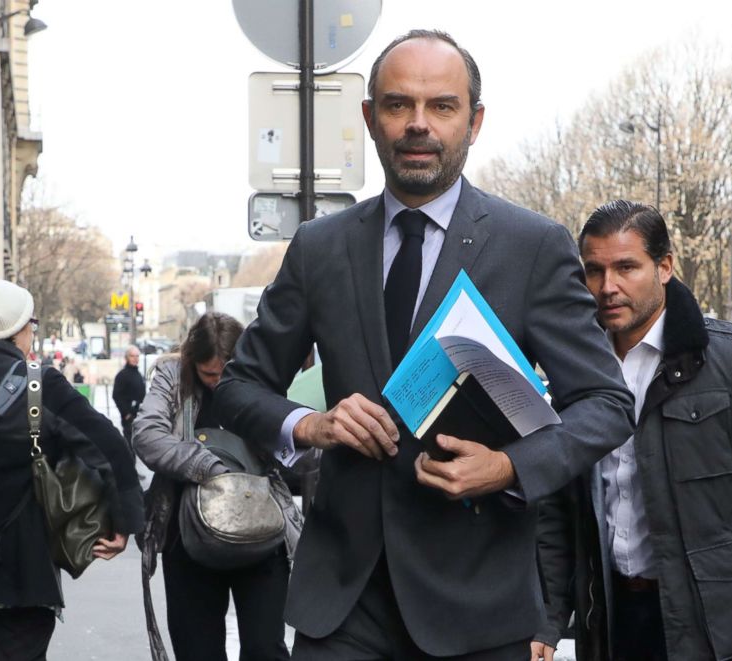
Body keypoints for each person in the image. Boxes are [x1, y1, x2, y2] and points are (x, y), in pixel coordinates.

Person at [213, 29, 635, 661]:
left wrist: (507, 468)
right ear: (369, 118)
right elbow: (238, 388)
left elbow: (606, 403)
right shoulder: (320, 247)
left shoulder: (532, 246)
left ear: (475, 121)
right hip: (343, 604)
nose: (418, 124)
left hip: (480, 608)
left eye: (442, 106)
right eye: (397, 105)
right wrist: (310, 424)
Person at [532, 201, 732, 661]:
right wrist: (548, 624)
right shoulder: (576, 374)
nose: (608, 287)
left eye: (626, 267)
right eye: (594, 270)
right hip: (612, 620)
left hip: (717, 626)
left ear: (665, 266)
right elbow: (558, 510)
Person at [0, 279, 144, 661]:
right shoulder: (39, 385)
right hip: (23, 572)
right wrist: (123, 522)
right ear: (14, 327)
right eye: (30, 324)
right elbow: (110, 447)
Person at [133, 312, 301, 661]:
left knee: (266, 648)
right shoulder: (172, 375)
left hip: (260, 527)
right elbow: (147, 435)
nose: (216, 383)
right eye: (208, 374)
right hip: (188, 532)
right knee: (197, 650)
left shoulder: (259, 375)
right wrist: (207, 466)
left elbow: (290, 436)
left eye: (226, 373)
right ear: (192, 362)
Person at [113, 345, 145, 443]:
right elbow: (116, 395)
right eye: (132, 356)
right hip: (129, 418)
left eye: (137, 356)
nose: (135, 359)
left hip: (140, 415)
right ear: (126, 357)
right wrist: (126, 413)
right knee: (130, 445)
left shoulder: (138, 374)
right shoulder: (122, 375)